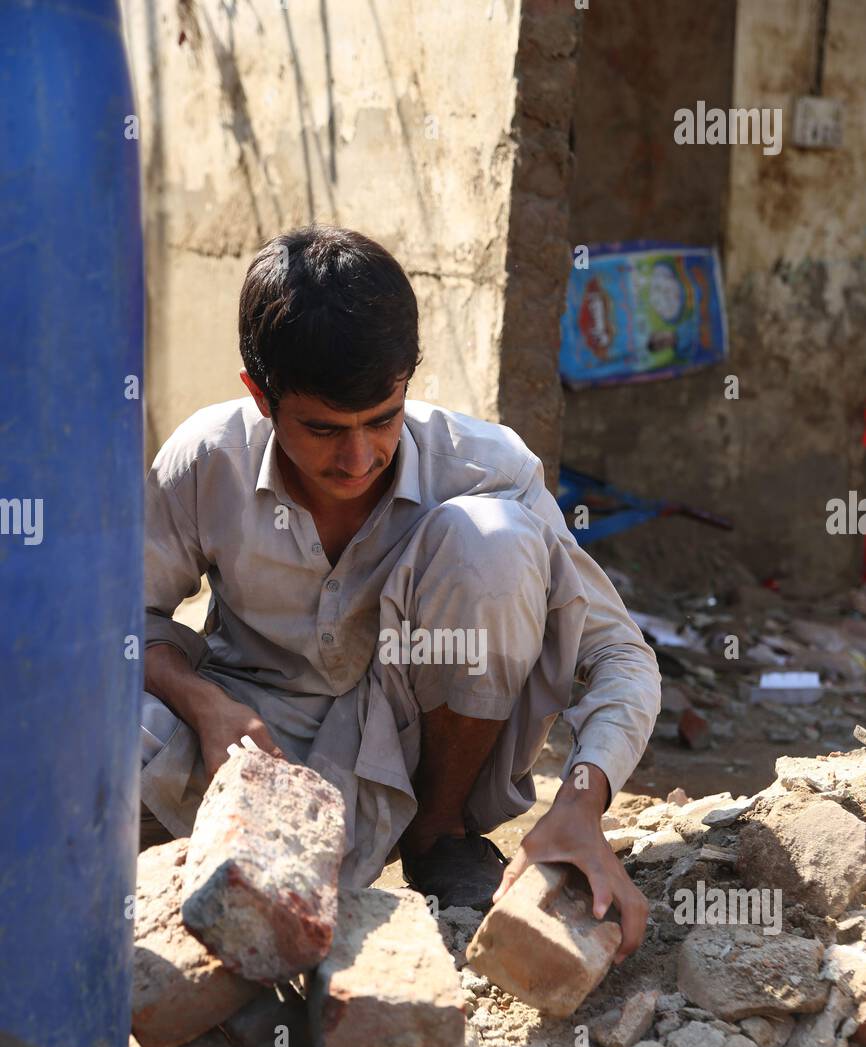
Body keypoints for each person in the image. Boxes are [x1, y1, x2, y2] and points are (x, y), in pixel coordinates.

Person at [141, 225, 661, 960]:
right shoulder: (206, 459)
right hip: (252, 751)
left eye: (381, 420)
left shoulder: (487, 465)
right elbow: (122, 623)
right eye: (323, 430)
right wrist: (204, 704)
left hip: (416, 743)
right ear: (259, 396)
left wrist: (581, 801)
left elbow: (620, 655)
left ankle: (440, 836)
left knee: (495, 540)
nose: (358, 458)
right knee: (97, 736)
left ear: (407, 383)